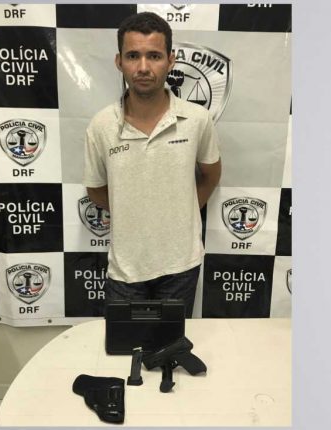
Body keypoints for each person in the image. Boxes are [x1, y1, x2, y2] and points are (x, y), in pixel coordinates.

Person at [82, 12, 221, 317]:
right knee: (124, 343)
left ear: (171, 60)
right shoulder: (101, 125)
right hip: (125, 268)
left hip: (181, 265)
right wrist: (137, 213)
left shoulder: (197, 119)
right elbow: (96, 191)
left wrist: (180, 211)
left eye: (154, 56)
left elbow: (211, 174)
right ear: (119, 61)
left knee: (170, 344)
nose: (143, 67)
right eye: (133, 56)